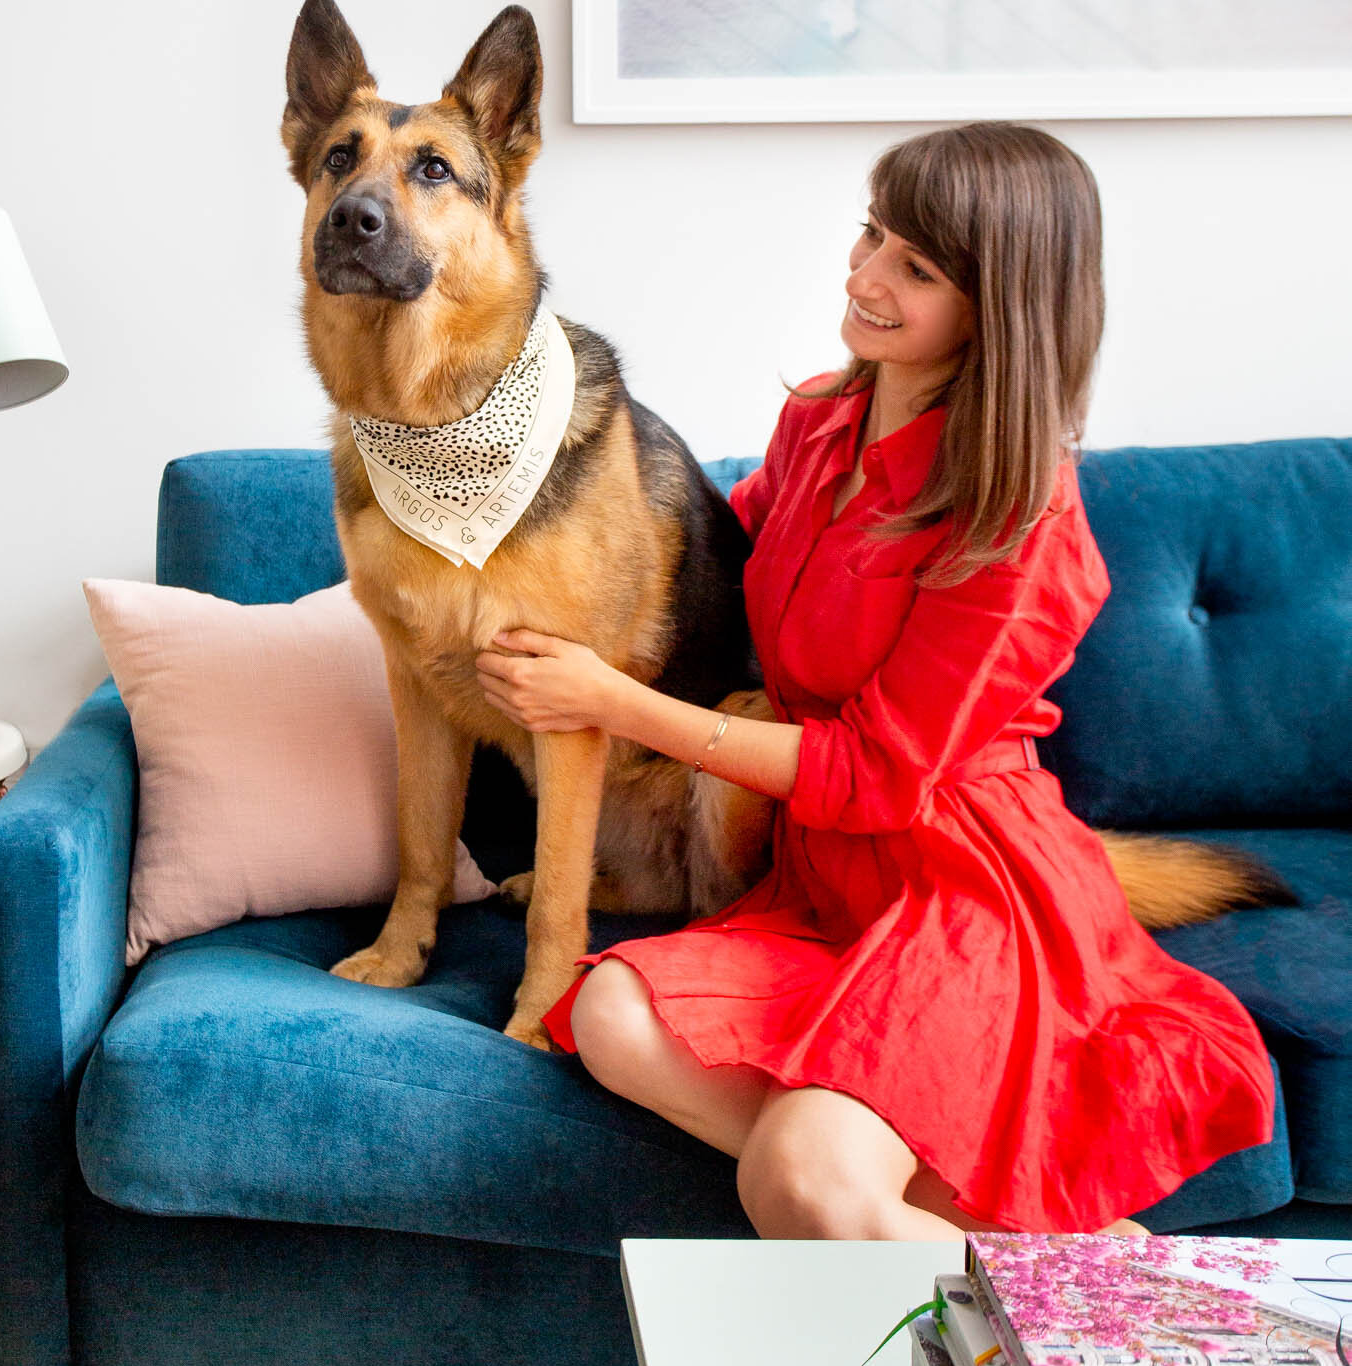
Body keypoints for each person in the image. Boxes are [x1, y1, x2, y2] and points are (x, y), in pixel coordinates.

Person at [475, 122, 1273, 1240]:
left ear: (999, 308)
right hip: (813, 883)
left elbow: (877, 777)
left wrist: (610, 702)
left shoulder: (1018, 519)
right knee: (605, 1011)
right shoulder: (816, 421)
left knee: (800, 1182)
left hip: (957, 885)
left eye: (914, 268)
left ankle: (1084, 1315)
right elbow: (715, 564)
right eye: (869, 236)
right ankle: (1039, 1250)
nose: (861, 278)